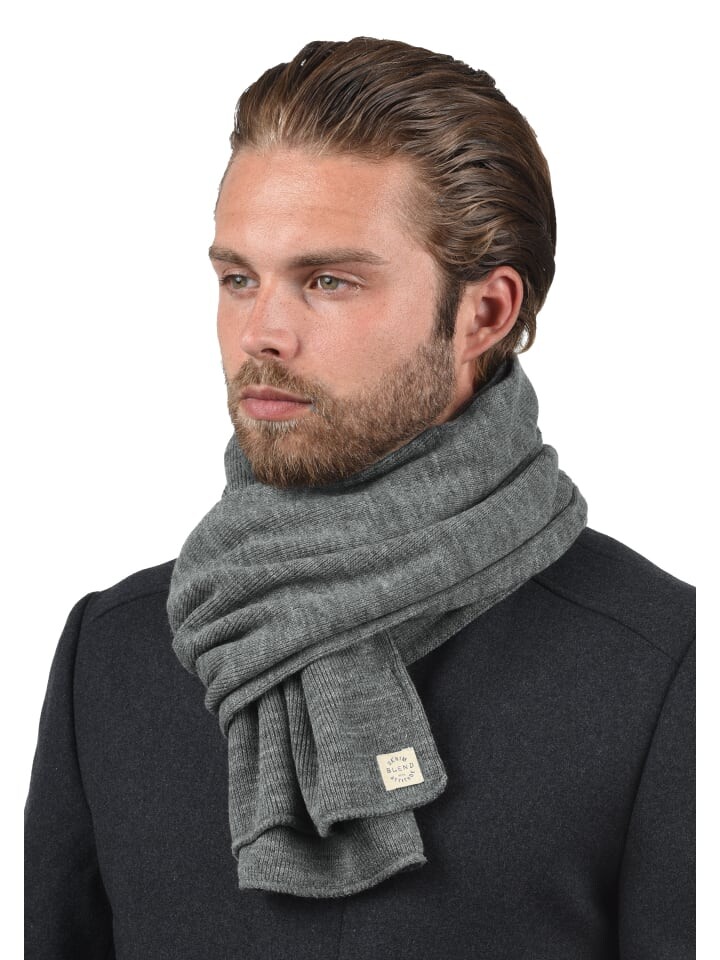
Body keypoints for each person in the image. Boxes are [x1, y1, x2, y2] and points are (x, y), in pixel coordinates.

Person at [25, 37, 695, 960]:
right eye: (238, 278)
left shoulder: (664, 667)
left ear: (486, 313)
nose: (262, 332)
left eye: (329, 281)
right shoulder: (112, 653)